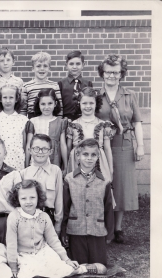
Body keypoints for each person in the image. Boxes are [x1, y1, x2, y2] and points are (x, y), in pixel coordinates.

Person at [6, 179, 105, 278]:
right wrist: (13, 266)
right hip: (24, 254)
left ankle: (84, 268)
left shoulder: (43, 216)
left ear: (38, 198)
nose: (28, 201)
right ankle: (78, 270)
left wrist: (66, 259)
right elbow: (11, 244)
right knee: (29, 273)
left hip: (43, 252)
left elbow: (53, 240)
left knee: (58, 268)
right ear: (17, 199)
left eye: (32, 197)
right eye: (23, 198)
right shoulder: (14, 217)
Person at [95, 54, 145, 244]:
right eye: (108, 72)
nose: (112, 76)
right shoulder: (96, 95)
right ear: (102, 73)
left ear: (121, 73)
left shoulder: (129, 95)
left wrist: (140, 146)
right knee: (104, 184)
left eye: (116, 72)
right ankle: (104, 225)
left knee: (122, 185)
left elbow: (137, 122)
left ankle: (118, 228)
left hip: (123, 142)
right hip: (102, 144)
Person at [61, 139, 114, 266]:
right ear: (78, 156)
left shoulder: (104, 181)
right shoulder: (69, 179)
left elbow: (108, 208)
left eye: (93, 155)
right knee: (79, 264)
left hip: (98, 229)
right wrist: (63, 231)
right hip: (76, 229)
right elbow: (65, 207)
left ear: (98, 157)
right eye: (85, 154)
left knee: (99, 265)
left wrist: (110, 233)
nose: (89, 158)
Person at [66, 87, 115, 189]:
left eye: (91, 103)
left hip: (98, 161)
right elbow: (68, 148)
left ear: (96, 104)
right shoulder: (73, 124)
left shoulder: (103, 124)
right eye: (84, 103)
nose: (88, 106)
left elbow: (107, 148)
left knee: (98, 188)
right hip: (76, 161)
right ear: (79, 103)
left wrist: (110, 169)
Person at [21, 134, 63, 234]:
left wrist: (58, 223)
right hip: (28, 219)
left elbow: (59, 198)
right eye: (36, 148)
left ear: (50, 152)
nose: (40, 152)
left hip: (49, 217)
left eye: (44, 149)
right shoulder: (23, 173)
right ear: (30, 150)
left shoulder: (56, 171)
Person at [25, 88, 68, 170]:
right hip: (35, 161)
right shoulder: (33, 121)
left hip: (54, 161)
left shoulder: (61, 122)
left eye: (50, 103)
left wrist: (66, 166)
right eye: (43, 104)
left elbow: (63, 145)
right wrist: (26, 165)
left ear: (55, 104)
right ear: (38, 104)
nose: (46, 107)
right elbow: (28, 144)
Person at [0, 84, 29, 170]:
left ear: (17, 99)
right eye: (5, 97)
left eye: (11, 97)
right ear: (0, 99)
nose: (8, 101)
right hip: (1, 163)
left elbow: (25, 145)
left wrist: (27, 164)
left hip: (19, 161)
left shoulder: (23, 120)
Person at [20, 52, 62, 119]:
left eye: (45, 66)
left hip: (51, 118)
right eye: (38, 66)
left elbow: (60, 108)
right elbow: (23, 109)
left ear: (49, 68)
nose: (42, 68)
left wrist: (60, 122)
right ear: (33, 68)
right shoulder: (26, 86)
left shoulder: (54, 86)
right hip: (33, 118)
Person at [58, 50, 93, 121]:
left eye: (78, 64)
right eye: (71, 64)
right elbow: (59, 104)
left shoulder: (88, 83)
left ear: (83, 65)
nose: (74, 67)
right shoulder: (61, 83)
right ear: (66, 65)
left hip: (84, 118)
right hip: (66, 118)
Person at [0, 47, 24, 113]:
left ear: (13, 62)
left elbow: (22, 103)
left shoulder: (19, 81)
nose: (5, 63)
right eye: (2, 60)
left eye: (8, 60)